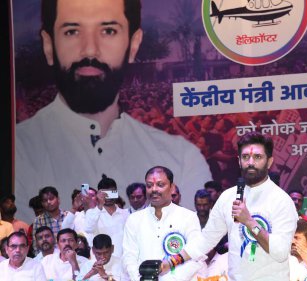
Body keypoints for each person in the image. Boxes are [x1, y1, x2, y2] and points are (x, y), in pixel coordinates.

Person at [15, 0, 211, 222]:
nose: (90, 50)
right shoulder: (19, 154)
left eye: (108, 31)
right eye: (72, 31)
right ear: (49, 46)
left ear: (133, 44)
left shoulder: (182, 159)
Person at [162, 131, 298, 280]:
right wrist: (171, 262)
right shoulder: (228, 197)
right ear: (239, 161)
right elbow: (205, 240)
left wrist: (250, 222)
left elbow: (280, 252)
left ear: (269, 162)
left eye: (257, 157)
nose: (250, 162)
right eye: (246, 157)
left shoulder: (281, 201)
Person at [122, 166, 205, 281]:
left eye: (160, 185)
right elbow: (129, 257)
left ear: (172, 187)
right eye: (149, 185)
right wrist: (141, 279)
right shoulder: (134, 219)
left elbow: (195, 256)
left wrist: (170, 279)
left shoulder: (188, 217)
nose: (154, 189)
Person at [85, 176, 129, 258]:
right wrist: (100, 205)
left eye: (112, 193)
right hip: (100, 260)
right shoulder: (91, 213)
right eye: (105, 194)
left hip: (122, 261)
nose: (108, 197)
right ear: (98, 194)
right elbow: (88, 229)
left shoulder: (126, 214)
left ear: (116, 192)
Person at [32, 186, 67, 253]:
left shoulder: (68, 216)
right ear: (42, 203)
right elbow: (36, 246)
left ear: (58, 199)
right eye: (45, 200)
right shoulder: (39, 220)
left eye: (51, 198)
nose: (48, 202)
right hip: (48, 259)